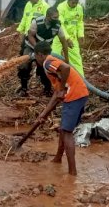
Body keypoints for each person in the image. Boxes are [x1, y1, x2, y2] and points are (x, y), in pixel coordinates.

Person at [34, 41, 88, 176]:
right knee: (64, 130)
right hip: (80, 94)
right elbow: (56, 94)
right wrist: (44, 114)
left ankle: (72, 173)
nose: (36, 59)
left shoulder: (47, 63)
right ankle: (58, 159)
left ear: (40, 54)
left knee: (67, 132)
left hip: (74, 96)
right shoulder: (52, 65)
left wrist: (63, 87)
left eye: (35, 56)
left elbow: (66, 67)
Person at [17, 7, 69, 96]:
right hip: (31, 46)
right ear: (48, 16)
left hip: (45, 51)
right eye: (54, 18)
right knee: (24, 66)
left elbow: (64, 43)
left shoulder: (58, 26)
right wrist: (37, 48)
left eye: (58, 17)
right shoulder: (37, 22)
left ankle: (47, 89)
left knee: (47, 68)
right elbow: (30, 36)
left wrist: (67, 60)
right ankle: (23, 88)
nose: (57, 20)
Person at [52, 0, 85, 76]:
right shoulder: (61, 7)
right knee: (54, 57)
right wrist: (67, 38)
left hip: (72, 37)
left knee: (76, 60)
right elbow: (60, 24)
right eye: (73, 2)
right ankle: (54, 78)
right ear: (69, 0)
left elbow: (79, 22)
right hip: (59, 37)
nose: (74, 5)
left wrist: (80, 35)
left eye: (76, 3)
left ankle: (80, 79)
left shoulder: (79, 8)